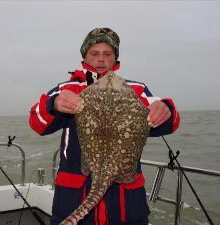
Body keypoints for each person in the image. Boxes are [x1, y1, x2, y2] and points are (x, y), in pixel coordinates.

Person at [29, 27, 180, 225]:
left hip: (125, 203)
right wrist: (54, 105)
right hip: (74, 197)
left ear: (115, 58)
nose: (101, 59)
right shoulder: (68, 89)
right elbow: (37, 123)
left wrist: (165, 110)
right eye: (94, 53)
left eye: (107, 54)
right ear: (85, 56)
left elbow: (169, 123)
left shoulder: (135, 89)